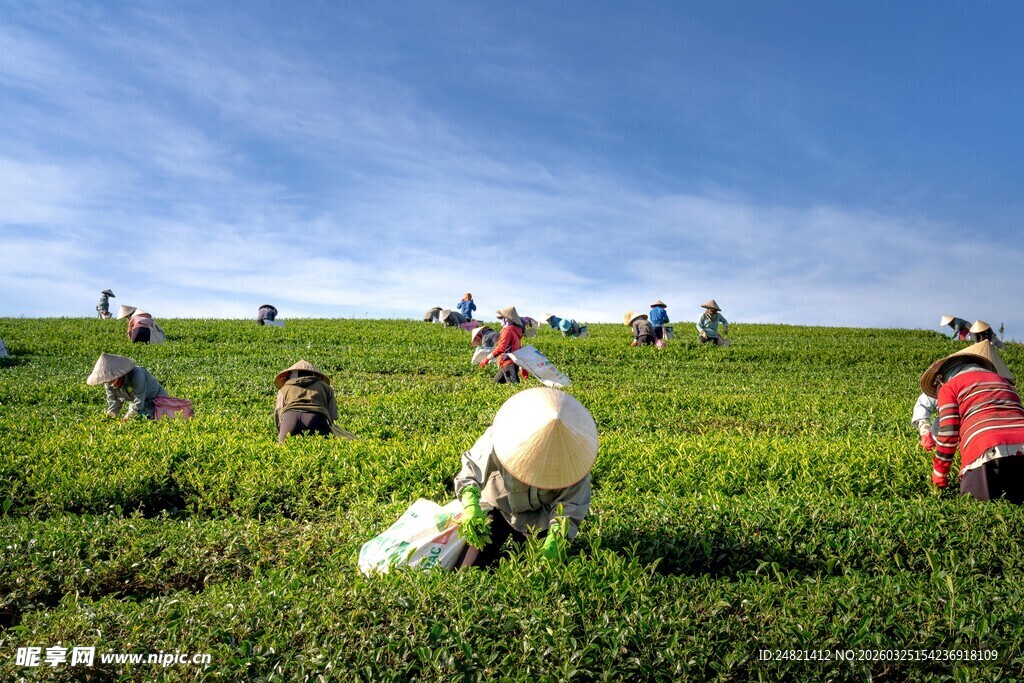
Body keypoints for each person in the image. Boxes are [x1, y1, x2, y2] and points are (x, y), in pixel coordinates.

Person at [454, 387, 597, 568]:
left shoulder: (576, 463)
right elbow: (471, 469)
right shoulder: (500, 437)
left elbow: (569, 509)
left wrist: (554, 542)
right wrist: (470, 504)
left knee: (535, 568)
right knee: (468, 564)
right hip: (500, 505)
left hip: (539, 517)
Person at [920, 340, 1024, 502]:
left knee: (977, 511)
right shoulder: (1004, 382)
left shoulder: (950, 386)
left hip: (986, 449)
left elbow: (948, 432)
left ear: (941, 379)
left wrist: (939, 476)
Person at [274, 360, 353, 444]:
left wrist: (282, 430)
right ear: (314, 374)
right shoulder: (325, 387)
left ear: (292, 374)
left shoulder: (284, 388)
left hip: (289, 419)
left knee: (283, 451)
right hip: (316, 418)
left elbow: (279, 411)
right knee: (321, 451)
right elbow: (332, 414)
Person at [86, 353, 169, 420]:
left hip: (155, 401)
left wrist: (129, 416)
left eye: (112, 380)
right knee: (134, 417)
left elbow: (139, 399)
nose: (111, 383)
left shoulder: (137, 374)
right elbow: (114, 401)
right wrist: (110, 415)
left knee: (141, 419)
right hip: (139, 404)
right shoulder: (108, 383)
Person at [480, 307, 526, 383]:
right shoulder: (516, 331)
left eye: (502, 318)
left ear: (506, 319)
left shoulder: (507, 331)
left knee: (514, 388)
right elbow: (519, 350)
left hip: (509, 364)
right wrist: (522, 368)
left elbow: (501, 348)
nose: (501, 321)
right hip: (507, 364)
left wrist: (487, 358)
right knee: (495, 384)